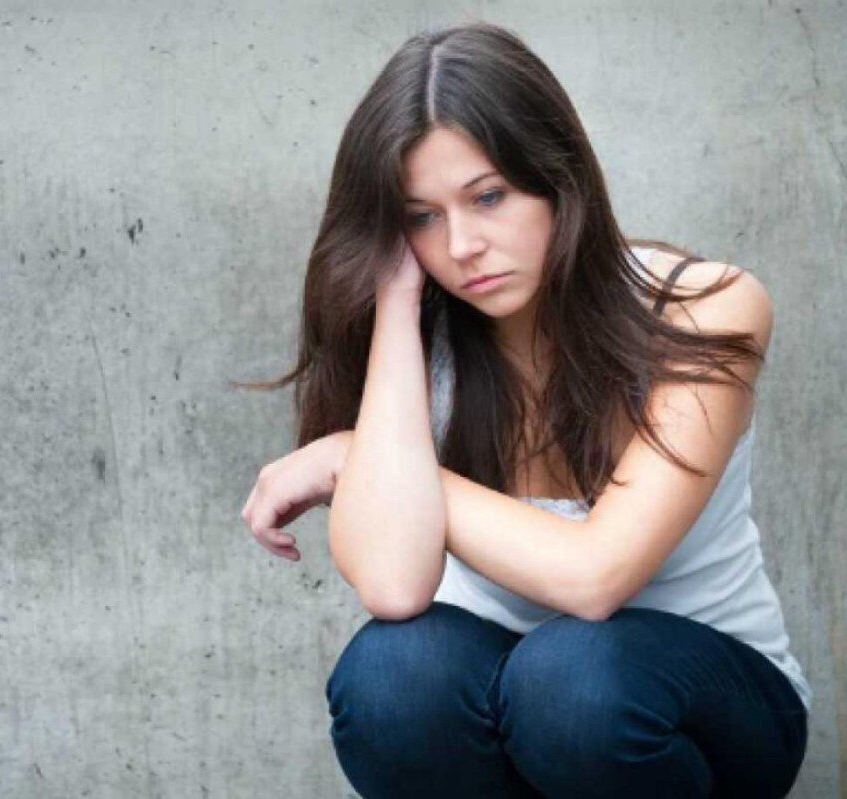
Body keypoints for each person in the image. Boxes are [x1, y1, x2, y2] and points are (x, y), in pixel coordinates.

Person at [236, 20, 811, 799]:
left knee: (570, 684)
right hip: (505, 700)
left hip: (703, 712)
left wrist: (350, 457)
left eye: (488, 196)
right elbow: (396, 588)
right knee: (390, 680)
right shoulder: (415, 346)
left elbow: (596, 575)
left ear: (557, 175)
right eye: (421, 216)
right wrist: (397, 304)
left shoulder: (702, 310)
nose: (462, 245)